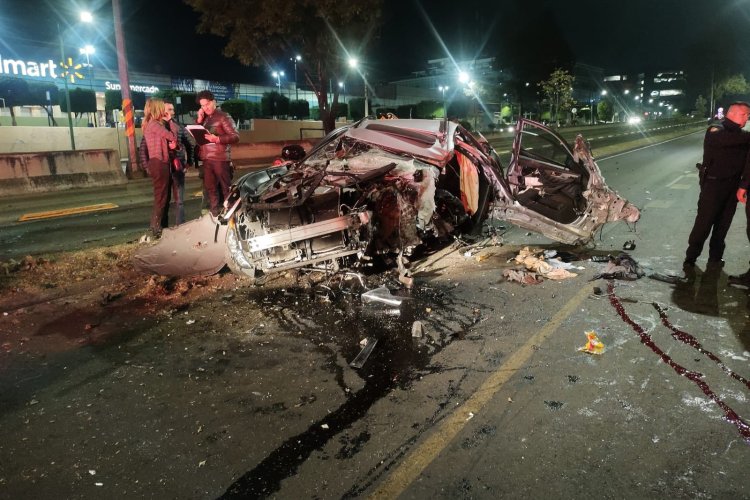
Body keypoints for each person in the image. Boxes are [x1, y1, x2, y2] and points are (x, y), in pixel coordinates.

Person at [683, 101, 750, 270]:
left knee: (723, 225)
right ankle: (691, 258)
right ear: (733, 113)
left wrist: (743, 184)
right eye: (745, 115)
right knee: (704, 224)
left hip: (733, 186)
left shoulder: (742, 135)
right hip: (713, 186)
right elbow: (726, 140)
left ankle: (715, 258)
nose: (747, 118)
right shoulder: (716, 128)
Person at [194, 90, 240, 216]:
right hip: (207, 158)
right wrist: (198, 120)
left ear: (214, 101)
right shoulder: (204, 118)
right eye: (202, 106)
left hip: (220, 158)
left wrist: (217, 139)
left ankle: (231, 214)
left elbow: (235, 136)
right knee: (211, 189)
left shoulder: (223, 116)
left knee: (226, 189)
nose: (205, 108)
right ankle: (215, 213)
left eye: (207, 104)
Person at [142, 97, 177, 238]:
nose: (165, 110)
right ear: (157, 108)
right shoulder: (155, 125)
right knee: (161, 197)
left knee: (162, 196)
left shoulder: (152, 124)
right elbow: (172, 137)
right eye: (162, 107)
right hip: (159, 163)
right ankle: (155, 227)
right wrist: (170, 122)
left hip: (158, 162)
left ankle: (157, 227)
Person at [164, 100, 195, 225]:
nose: (172, 112)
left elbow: (190, 144)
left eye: (172, 109)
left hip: (178, 166)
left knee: (179, 200)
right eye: (169, 109)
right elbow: (145, 147)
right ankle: (161, 227)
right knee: (163, 200)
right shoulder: (156, 126)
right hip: (163, 167)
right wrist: (148, 166)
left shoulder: (179, 126)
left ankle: (180, 225)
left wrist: (190, 162)